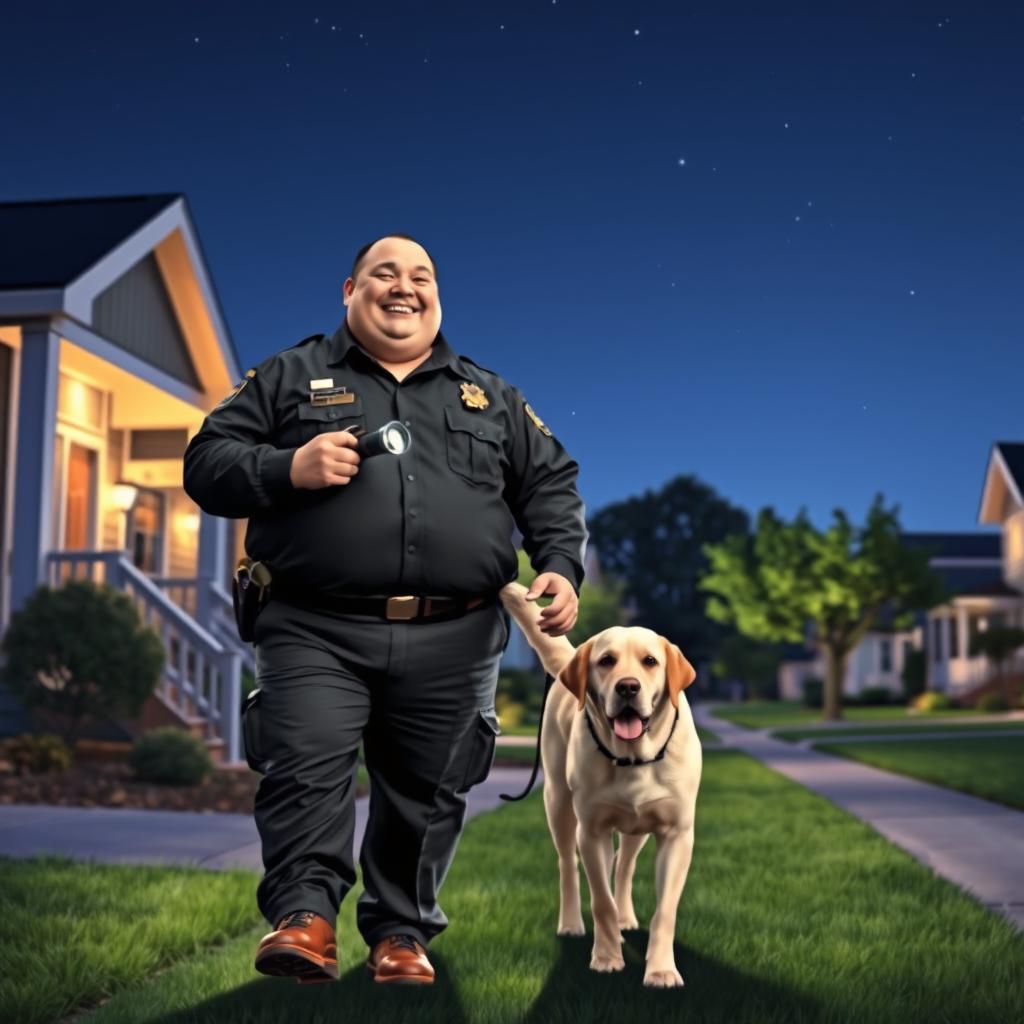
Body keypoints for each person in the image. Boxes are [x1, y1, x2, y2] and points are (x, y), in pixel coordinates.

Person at [182, 234, 588, 985]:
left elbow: (551, 486)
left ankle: (401, 933)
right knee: (305, 764)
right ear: (349, 290)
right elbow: (206, 464)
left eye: (421, 276)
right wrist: (286, 467)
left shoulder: (489, 395)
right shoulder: (289, 376)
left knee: (429, 790)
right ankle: (305, 918)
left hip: (457, 632)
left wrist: (561, 565)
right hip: (314, 625)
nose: (404, 287)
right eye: (384, 274)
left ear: (438, 295)